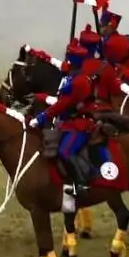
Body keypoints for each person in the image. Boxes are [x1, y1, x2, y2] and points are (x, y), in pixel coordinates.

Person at [30, 44, 98, 200]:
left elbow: (61, 105)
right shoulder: (74, 76)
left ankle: (82, 184)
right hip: (69, 123)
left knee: (65, 151)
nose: (66, 62)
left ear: (72, 61)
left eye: (68, 60)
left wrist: (40, 119)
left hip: (80, 125)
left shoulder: (77, 82)